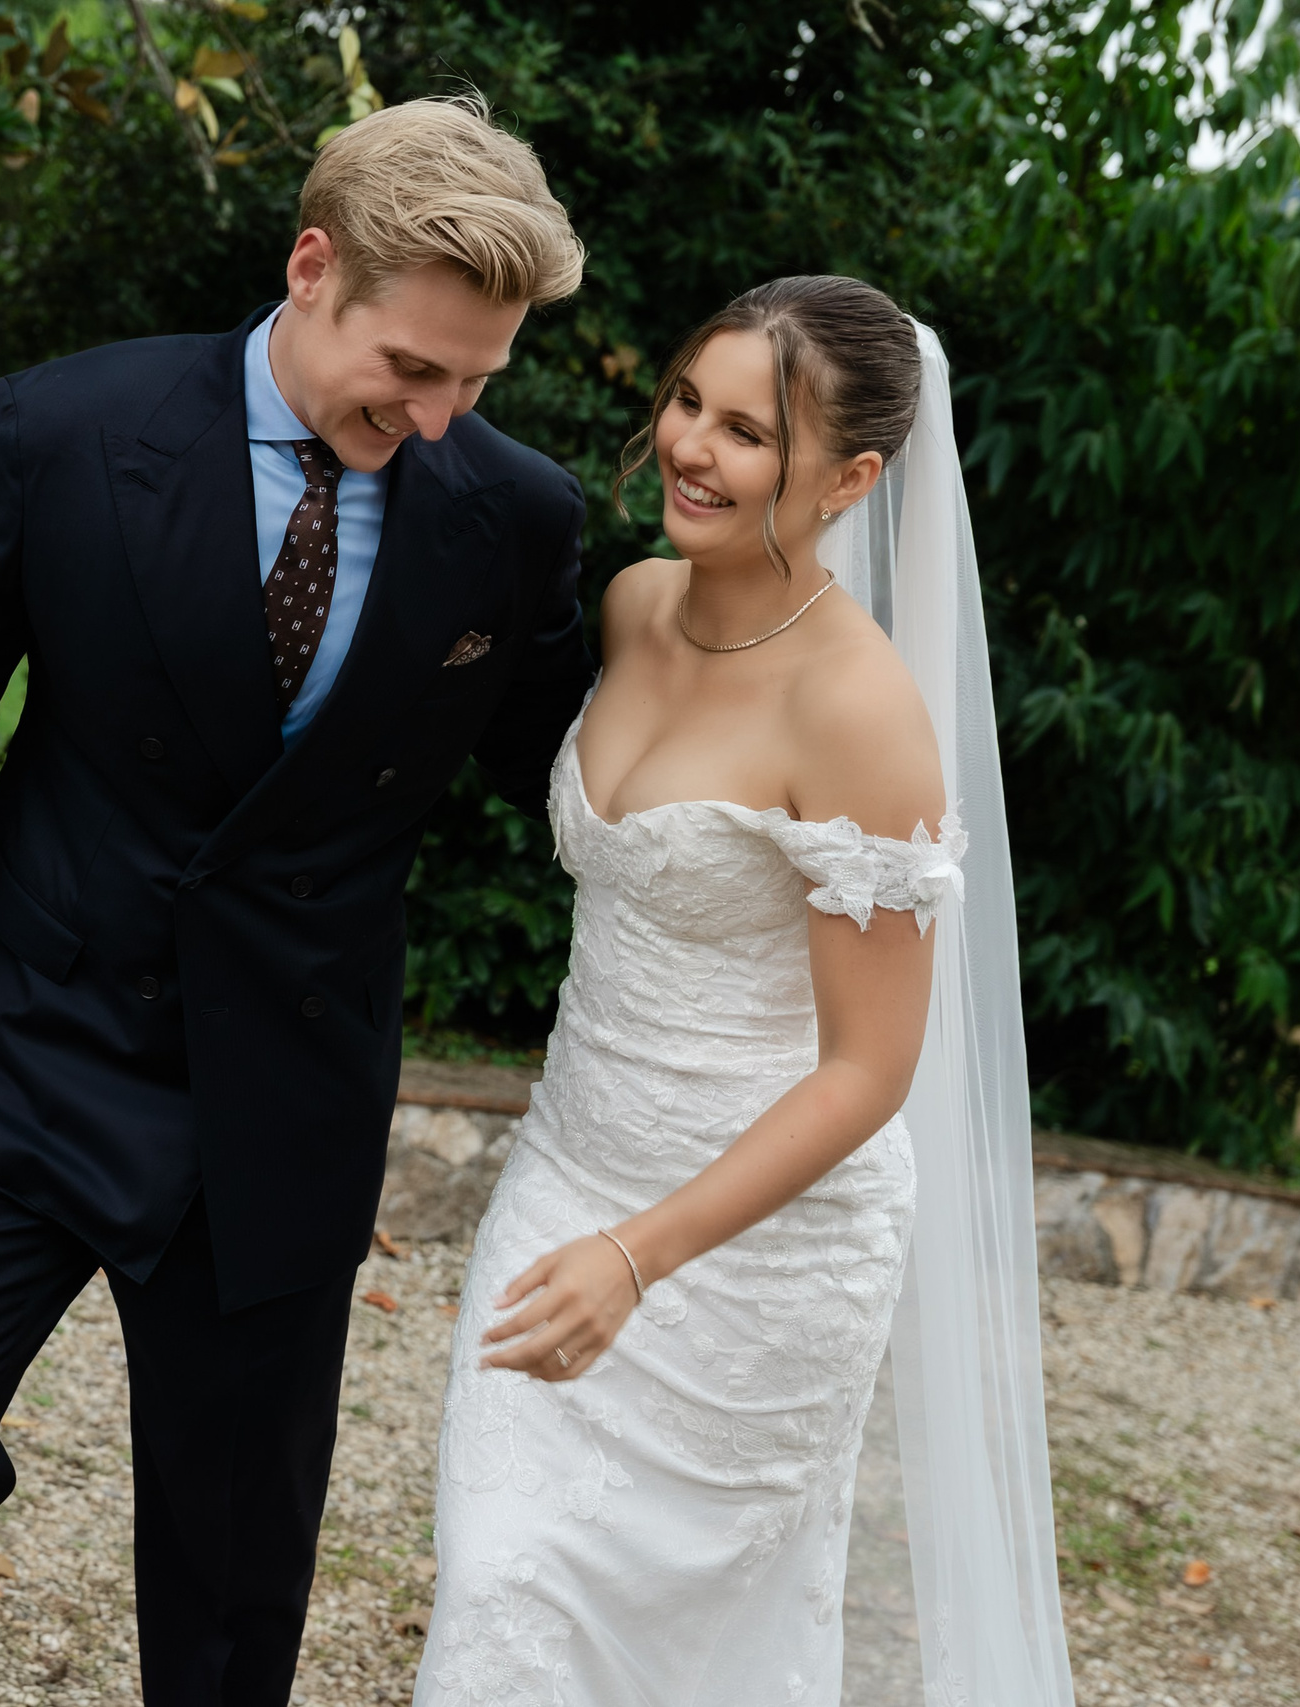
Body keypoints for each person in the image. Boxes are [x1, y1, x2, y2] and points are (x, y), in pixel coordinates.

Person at [0, 97, 593, 1707]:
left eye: (477, 384)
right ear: (313, 269)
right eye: (412, 371)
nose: (439, 419)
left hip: (282, 1084)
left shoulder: (515, 518)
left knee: (233, 1564)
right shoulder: (58, 432)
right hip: (28, 1037)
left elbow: (573, 766)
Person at [415, 276, 1077, 1706]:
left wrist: (641, 1256)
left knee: (685, 1659)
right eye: (685, 405)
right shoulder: (635, 604)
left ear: (852, 477)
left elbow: (869, 1073)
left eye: (748, 434)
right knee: (499, 1582)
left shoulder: (858, 711)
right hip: (565, 1175)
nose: (692, 451)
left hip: (753, 1263)